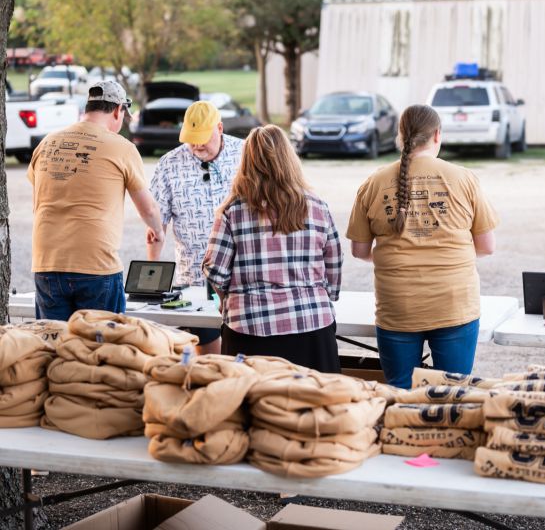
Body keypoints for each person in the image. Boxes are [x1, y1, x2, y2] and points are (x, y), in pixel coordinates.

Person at [346, 104, 498, 389]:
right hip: (454, 304)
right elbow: (487, 246)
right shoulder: (464, 178)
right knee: (452, 394)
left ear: (400, 135)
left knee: (399, 394)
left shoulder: (373, 182)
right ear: (437, 135)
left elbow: (360, 251)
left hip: (397, 306)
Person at [202, 124, 343, 372]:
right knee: (316, 407)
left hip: (249, 328)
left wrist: (228, 300)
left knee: (251, 407)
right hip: (312, 324)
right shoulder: (318, 206)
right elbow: (334, 260)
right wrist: (324, 295)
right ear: (289, 158)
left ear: (246, 162)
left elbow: (215, 269)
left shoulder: (231, 211)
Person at [28, 80, 164, 320]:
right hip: (95, 264)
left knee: (53, 350)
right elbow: (148, 208)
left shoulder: (47, 143)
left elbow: (39, 194)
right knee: (99, 350)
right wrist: (157, 230)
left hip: (46, 262)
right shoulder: (122, 147)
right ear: (117, 110)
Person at [147, 101, 243, 354]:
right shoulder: (169, 164)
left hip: (243, 275)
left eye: (203, 138)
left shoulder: (246, 154)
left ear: (220, 128)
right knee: (208, 356)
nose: (197, 145)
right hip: (195, 277)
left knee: (242, 352)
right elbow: (157, 224)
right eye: (192, 139)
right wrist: (152, 276)